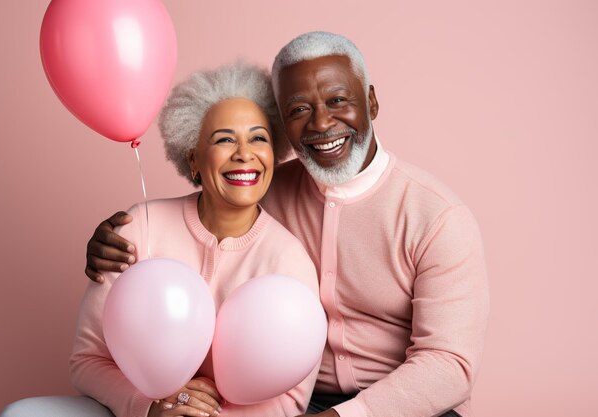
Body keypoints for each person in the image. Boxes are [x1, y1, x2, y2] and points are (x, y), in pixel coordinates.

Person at [84, 32, 490, 417]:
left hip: (405, 407)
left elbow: (448, 364)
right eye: (299, 109)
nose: (321, 123)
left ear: (371, 102)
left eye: (337, 100)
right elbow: (204, 208)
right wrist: (114, 238)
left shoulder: (436, 217)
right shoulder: (262, 186)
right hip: (298, 399)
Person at [0, 62, 320, 417]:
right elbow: (87, 360)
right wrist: (150, 407)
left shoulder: (290, 263)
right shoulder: (140, 226)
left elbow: (290, 400)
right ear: (194, 159)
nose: (244, 153)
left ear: (274, 155)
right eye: (224, 139)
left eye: (258, 138)